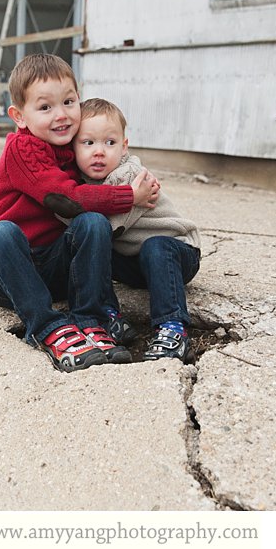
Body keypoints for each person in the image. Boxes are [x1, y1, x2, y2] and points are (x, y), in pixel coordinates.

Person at [0, 54, 160, 373]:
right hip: (11, 270)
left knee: (92, 222)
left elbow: (109, 159)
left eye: (69, 102)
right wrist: (129, 196)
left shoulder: (76, 144)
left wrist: (137, 176)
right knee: (0, 233)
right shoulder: (23, 149)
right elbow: (66, 199)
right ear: (19, 116)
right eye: (45, 107)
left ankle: (90, 318)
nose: (61, 115)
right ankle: (47, 327)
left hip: (58, 268)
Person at [70, 97, 201, 362]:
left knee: (154, 245)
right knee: (92, 250)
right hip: (136, 264)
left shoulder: (131, 176)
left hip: (175, 253)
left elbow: (112, 227)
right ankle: (109, 315)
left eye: (110, 143)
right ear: (72, 147)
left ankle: (173, 329)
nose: (99, 151)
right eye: (88, 143)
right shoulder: (79, 182)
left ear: (124, 146)